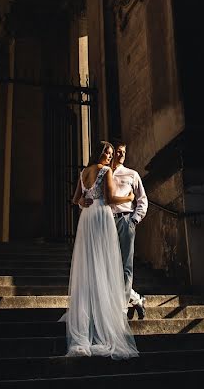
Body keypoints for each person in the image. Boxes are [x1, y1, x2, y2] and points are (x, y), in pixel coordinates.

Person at [61, 141, 139, 359]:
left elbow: (75, 199)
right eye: (108, 152)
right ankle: (102, 317)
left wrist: (84, 203)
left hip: (87, 218)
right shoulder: (105, 171)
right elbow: (112, 198)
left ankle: (90, 313)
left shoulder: (84, 172)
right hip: (102, 216)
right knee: (104, 263)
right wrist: (130, 198)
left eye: (112, 153)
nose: (110, 156)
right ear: (101, 153)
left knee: (89, 263)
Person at [109, 143, 148, 319]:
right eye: (118, 151)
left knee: (125, 266)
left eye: (124, 152)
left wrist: (134, 219)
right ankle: (136, 298)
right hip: (107, 222)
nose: (121, 155)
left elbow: (142, 200)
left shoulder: (132, 174)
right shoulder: (105, 173)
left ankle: (121, 308)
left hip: (125, 220)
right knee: (108, 265)